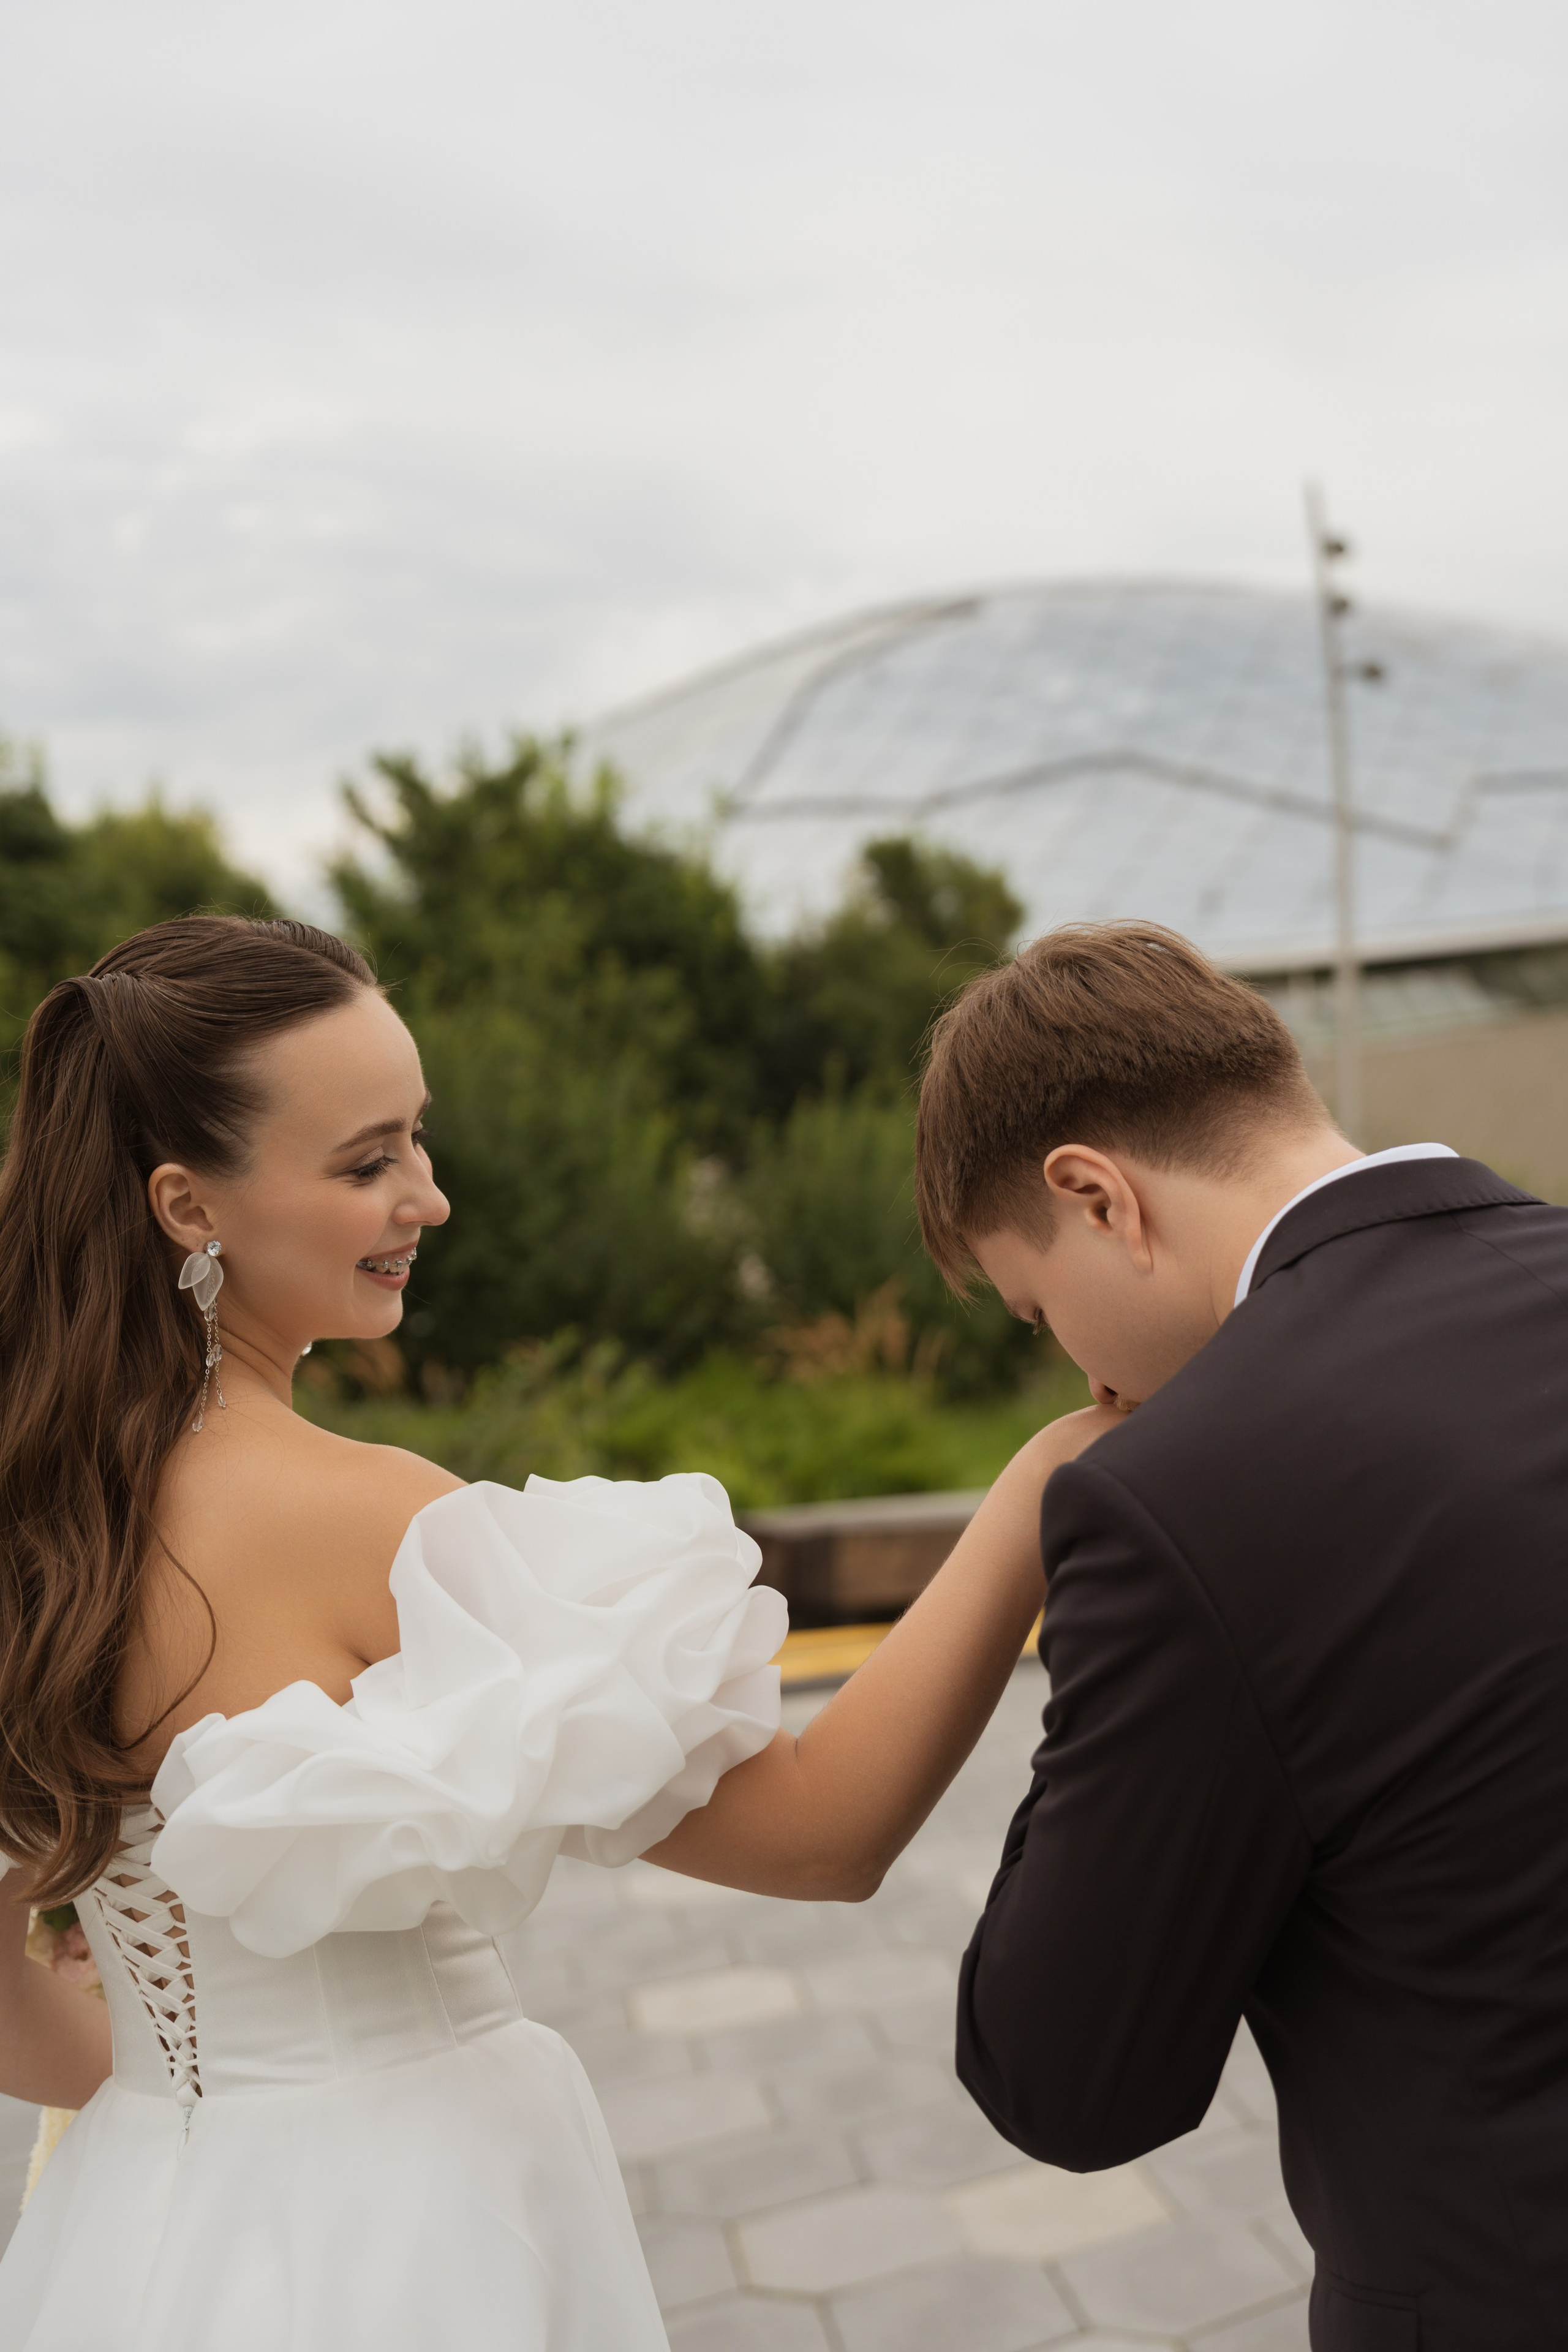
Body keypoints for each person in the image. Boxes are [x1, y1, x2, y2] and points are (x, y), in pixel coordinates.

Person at [0, 914, 1110, 2352]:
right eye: (367, 1161)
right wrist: (1035, 1485)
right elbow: (820, 1837)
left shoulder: (43, 1523)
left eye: (417, 1139)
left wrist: (170, 2094)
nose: (430, 1197)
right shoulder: (367, 1519)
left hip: (129, 2231)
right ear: (186, 1206)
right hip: (405, 2222)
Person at [915, 917, 1568, 2350]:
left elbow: (1070, 2082)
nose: (1081, 1369)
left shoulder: (1181, 1501)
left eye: (1038, 1311)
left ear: (1095, 1197)